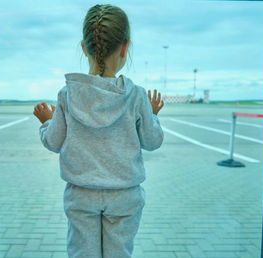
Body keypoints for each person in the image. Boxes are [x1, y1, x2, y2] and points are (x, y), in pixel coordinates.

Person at [33, 4, 164, 258]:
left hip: (81, 195)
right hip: (125, 196)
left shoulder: (67, 94)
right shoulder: (136, 96)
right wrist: (154, 116)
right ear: (125, 48)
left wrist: (46, 121)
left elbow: (53, 141)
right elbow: (152, 141)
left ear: (84, 47)